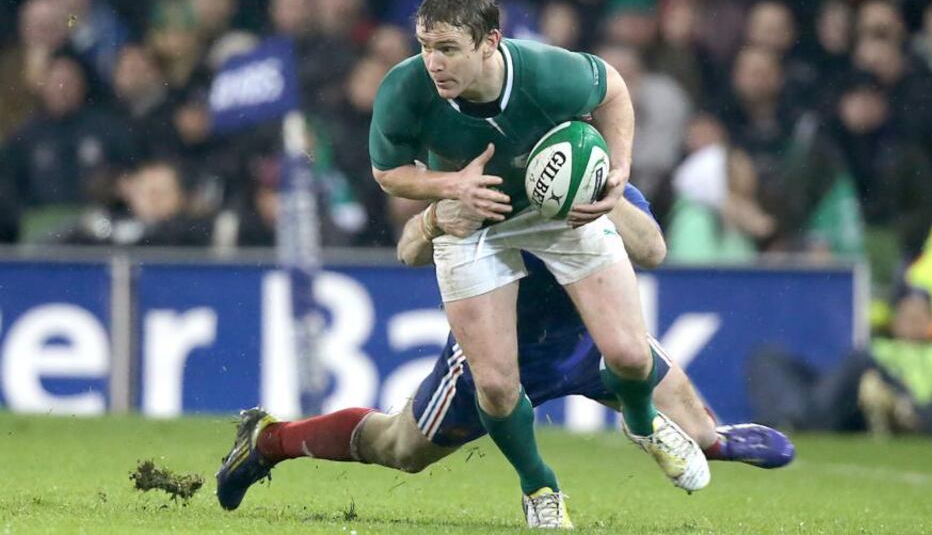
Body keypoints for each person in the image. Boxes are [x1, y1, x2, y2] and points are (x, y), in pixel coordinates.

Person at [216, 185, 796, 528]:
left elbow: (653, 249)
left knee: (687, 426)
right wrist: (434, 216)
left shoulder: (597, 178)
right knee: (400, 448)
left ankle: (711, 438)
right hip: (496, 359)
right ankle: (269, 439)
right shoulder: (486, 187)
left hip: (591, 342)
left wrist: (606, 199)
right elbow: (408, 250)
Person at [365, 0, 702, 525]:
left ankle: (642, 425)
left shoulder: (546, 73)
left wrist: (619, 170)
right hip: (476, 218)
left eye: (448, 48)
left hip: (558, 210)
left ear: (490, 41)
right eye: (426, 46)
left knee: (632, 356)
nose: (433, 62)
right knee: (496, 388)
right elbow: (387, 173)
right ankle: (539, 488)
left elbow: (613, 88)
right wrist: (451, 189)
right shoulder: (404, 88)